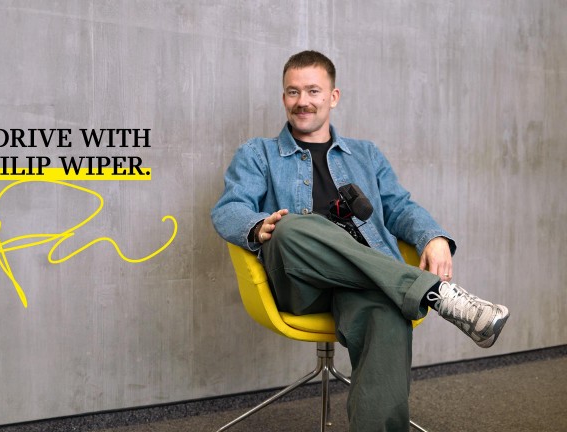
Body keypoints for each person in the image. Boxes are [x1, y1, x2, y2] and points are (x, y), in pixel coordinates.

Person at [210, 50, 509, 431]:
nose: (303, 101)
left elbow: (400, 207)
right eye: (292, 92)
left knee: (387, 310)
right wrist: (256, 226)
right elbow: (228, 209)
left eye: (313, 91)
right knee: (292, 226)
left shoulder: (366, 154)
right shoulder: (258, 153)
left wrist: (433, 238)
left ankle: (418, 294)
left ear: (333, 97)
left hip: (365, 280)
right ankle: (434, 294)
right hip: (300, 281)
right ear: (283, 97)